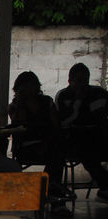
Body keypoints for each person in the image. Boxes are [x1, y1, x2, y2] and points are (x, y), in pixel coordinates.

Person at [8, 70, 70, 207]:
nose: (31, 90)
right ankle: (50, 191)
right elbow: (19, 123)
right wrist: (21, 102)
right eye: (27, 87)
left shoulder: (47, 102)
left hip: (49, 142)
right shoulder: (15, 106)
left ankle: (49, 189)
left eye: (33, 85)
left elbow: (56, 125)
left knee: (57, 153)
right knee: (56, 154)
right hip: (27, 147)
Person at [54, 63, 108, 202]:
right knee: (86, 151)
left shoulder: (97, 93)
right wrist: (78, 102)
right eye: (78, 81)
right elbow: (64, 122)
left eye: (85, 80)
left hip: (99, 136)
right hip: (74, 139)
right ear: (70, 81)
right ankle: (105, 185)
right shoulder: (64, 96)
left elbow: (100, 118)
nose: (82, 84)